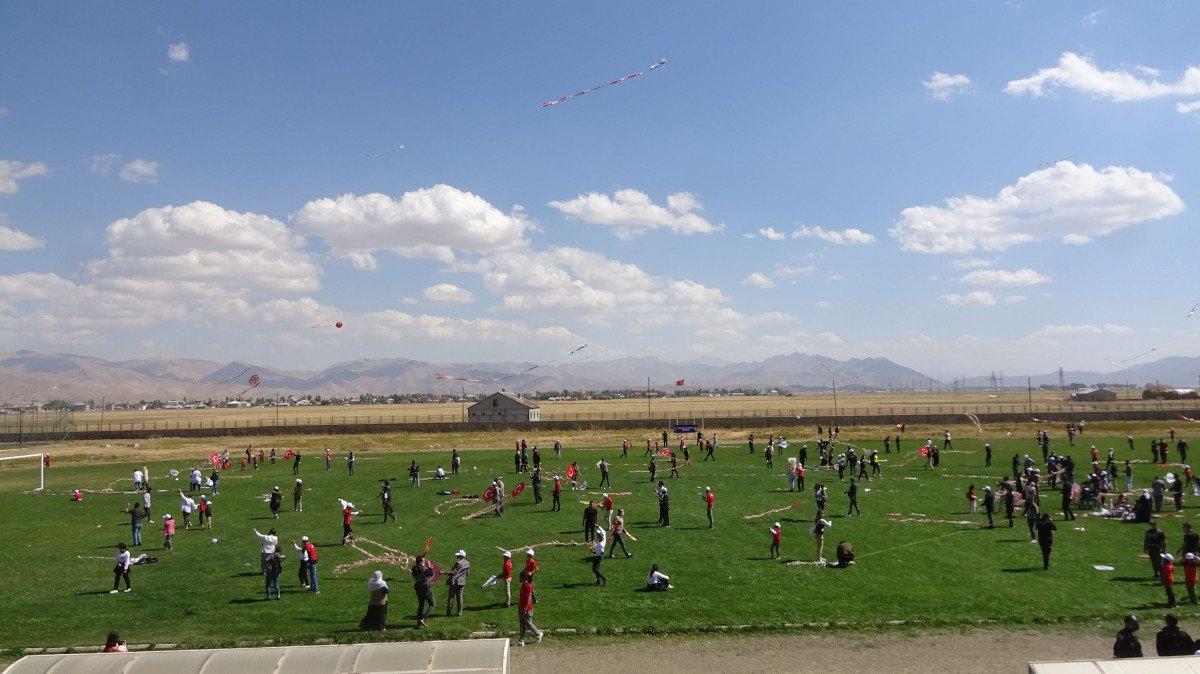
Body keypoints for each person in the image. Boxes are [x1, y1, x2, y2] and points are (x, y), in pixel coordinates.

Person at [515, 571, 542, 646]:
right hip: (521, 607)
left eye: (520, 577)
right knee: (522, 624)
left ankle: (538, 634)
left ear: (523, 578)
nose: (519, 578)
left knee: (528, 623)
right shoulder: (523, 585)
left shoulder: (528, 586)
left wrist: (525, 609)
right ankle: (521, 640)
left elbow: (528, 598)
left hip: (526, 609)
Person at [412, 556, 436, 628]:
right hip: (425, 589)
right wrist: (430, 567)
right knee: (432, 604)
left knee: (421, 605)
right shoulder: (424, 569)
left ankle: (419, 623)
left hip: (418, 588)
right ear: (421, 561)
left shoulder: (414, 568)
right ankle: (423, 619)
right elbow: (431, 574)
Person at [446, 550, 470, 616]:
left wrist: (444, 572)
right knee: (459, 597)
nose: (457, 556)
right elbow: (467, 573)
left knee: (451, 597)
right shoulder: (467, 563)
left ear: (461, 556)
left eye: (458, 555)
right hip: (462, 582)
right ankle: (460, 612)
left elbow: (453, 573)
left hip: (455, 582)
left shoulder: (458, 563)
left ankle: (448, 612)